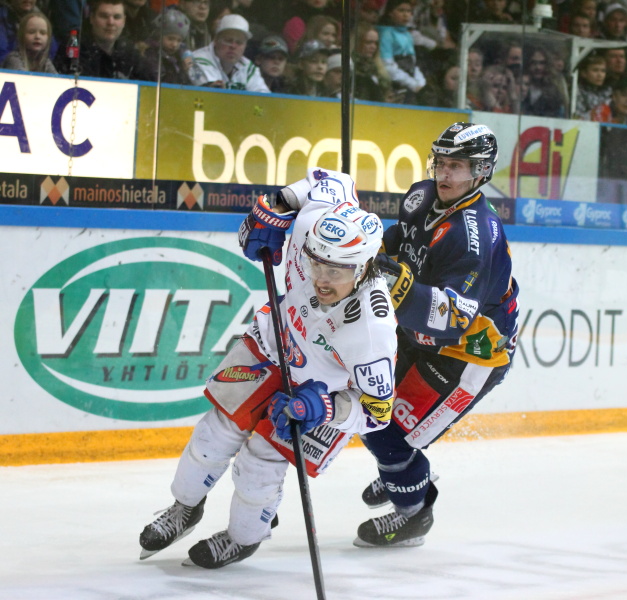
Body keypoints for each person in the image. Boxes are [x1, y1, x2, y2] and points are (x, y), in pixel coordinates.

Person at [139, 168, 397, 567]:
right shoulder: (314, 223)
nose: (322, 280)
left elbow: (378, 412)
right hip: (274, 338)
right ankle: (185, 508)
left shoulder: (372, 328)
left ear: (364, 266)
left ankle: (245, 537)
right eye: (316, 265)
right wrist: (276, 207)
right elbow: (332, 177)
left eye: (337, 271)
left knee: (259, 462)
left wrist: (325, 409)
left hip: (318, 391)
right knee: (214, 432)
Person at [356, 122, 519, 548]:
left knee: (386, 432)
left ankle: (413, 514)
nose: (445, 175)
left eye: (458, 167)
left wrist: (398, 284)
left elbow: (456, 318)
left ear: (481, 172)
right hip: (416, 332)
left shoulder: (475, 235)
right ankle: (408, 471)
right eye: (442, 163)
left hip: (470, 353)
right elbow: (399, 243)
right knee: (371, 408)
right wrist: (362, 245)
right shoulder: (420, 195)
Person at [54, 0, 150, 79]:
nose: (111, 22)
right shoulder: (73, 47)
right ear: (92, 18)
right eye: (104, 16)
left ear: (124, 21)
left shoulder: (130, 52)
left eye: (117, 17)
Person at [191, 13, 269, 91]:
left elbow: (264, 98)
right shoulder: (199, 59)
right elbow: (216, 96)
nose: (233, 46)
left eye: (239, 42)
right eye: (228, 40)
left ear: (245, 46)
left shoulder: (248, 67)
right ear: (215, 40)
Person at [376, 0, 426, 104]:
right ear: (390, 13)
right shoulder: (386, 33)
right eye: (401, 10)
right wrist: (412, 84)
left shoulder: (408, 35)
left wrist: (421, 83)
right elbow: (387, 66)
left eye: (408, 11)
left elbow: (413, 63)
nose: (405, 14)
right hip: (395, 85)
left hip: (410, 84)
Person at [141, 8, 193, 84]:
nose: (174, 44)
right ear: (159, 35)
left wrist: (185, 71)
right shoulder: (150, 54)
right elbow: (160, 82)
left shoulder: (179, 56)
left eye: (179, 41)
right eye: (170, 39)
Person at [573, 51, 610, 120]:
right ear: (584, 73)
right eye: (595, 70)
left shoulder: (607, 92)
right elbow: (577, 117)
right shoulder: (576, 91)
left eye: (603, 71)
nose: (600, 75)